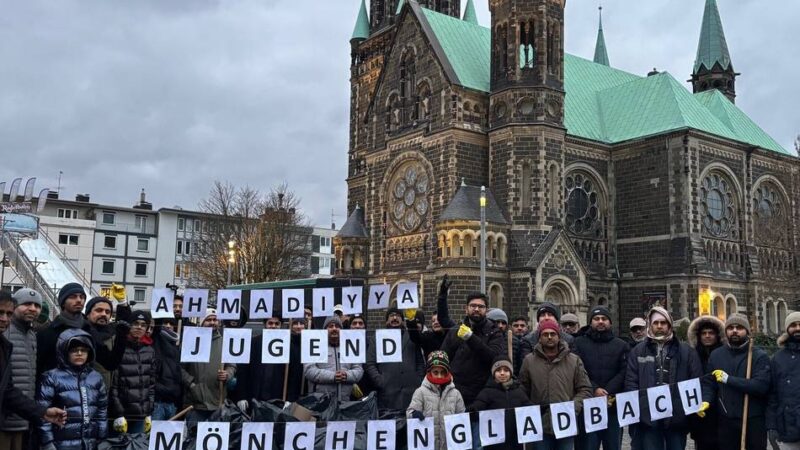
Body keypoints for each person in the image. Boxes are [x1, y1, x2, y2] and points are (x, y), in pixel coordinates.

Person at [625, 306, 702, 450]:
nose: (659, 326)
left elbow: (695, 382)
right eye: (656, 323)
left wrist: (682, 411)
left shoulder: (687, 351)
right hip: (648, 418)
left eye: (663, 322)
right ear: (650, 325)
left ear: (669, 325)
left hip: (676, 419)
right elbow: (631, 382)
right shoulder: (638, 351)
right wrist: (642, 408)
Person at [519, 319, 592, 450]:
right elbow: (523, 389)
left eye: (553, 334)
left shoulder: (574, 360)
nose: (549, 337)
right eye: (545, 334)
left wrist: (573, 407)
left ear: (559, 336)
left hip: (566, 422)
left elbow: (585, 388)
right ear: (539, 338)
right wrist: (532, 408)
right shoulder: (529, 361)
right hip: (540, 423)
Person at [702, 313, 770, 450]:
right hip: (726, 419)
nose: (734, 331)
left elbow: (761, 386)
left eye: (739, 328)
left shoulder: (758, 356)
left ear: (747, 331)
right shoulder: (716, 355)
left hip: (752, 420)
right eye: (730, 328)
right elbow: (709, 384)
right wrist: (706, 400)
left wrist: (729, 380)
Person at [37, 283, 128, 378]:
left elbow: (111, 363)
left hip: (84, 386)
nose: (79, 300)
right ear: (63, 302)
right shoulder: (48, 332)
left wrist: (122, 304)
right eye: (73, 297)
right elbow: (38, 368)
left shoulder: (88, 331)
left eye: (82, 297)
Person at [36, 329, 107, 450]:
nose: (79, 353)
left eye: (84, 350)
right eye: (74, 350)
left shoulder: (96, 377)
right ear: (64, 351)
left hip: (91, 443)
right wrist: (47, 443)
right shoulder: (51, 377)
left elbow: (102, 411)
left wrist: (102, 440)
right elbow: (43, 413)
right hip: (60, 444)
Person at [573, 306, 629, 450]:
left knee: (613, 445)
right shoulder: (578, 343)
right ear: (590, 322)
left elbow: (624, 371)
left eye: (604, 319)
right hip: (587, 407)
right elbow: (578, 371)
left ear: (610, 322)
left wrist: (608, 390)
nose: (600, 321)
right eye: (596, 319)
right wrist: (595, 389)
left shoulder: (621, 345)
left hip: (613, 406)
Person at [441, 292, 506, 409]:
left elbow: (494, 358)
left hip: (482, 394)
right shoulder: (455, 330)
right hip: (455, 391)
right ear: (466, 309)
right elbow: (444, 358)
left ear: (486, 310)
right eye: (473, 306)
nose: (476, 309)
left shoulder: (494, 332)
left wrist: (471, 338)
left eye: (481, 306)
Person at [1, 288, 42, 450]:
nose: (32, 309)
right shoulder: (5, 333)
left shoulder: (32, 335)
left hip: (23, 417)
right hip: (6, 419)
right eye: (27, 304)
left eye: (37, 306)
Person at [365, 307, 424, 411]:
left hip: (411, 392)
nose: (395, 318)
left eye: (398, 316)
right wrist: (380, 381)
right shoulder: (377, 337)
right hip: (388, 394)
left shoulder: (412, 337)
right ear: (386, 321)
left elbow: (420, 362)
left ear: (403, 320)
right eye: (391, 315)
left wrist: (418, 379)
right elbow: (370, 363)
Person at [182, 309, 236, 423]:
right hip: (195, 403)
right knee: (194, 434)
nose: (212, 322)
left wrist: (227, 374)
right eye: (208, 320)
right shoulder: (191, 341)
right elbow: (180, 368)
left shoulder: (225, 342)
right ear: (202, 322)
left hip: (218, 401)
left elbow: (232, 365)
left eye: (215, 319)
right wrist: (191, 384)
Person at [109, 310, 156, 435]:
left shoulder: (150, 351)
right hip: (121, 415)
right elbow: (113, 385)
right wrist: (118, 413)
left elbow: (151, 385)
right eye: (135, 323)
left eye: (143, 325)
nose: (139, 327)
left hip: (141, 415)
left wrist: (149, 411)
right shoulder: (119, 347)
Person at [407, 350, 465, 450]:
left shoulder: (456, 394)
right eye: (436, 372)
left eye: (443, 372)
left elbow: (461, 417)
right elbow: (410, 412)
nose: (439, 376)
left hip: (449, 445)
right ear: (429, 372)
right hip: (428, 445)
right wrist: (414, 414)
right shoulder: (420, 392)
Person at [470, 356, 530, 450]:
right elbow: (477, 408)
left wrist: (541, 408)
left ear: (511, 372)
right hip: (493, 444)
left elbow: (529, 409)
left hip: (515, 442)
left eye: (506, 370)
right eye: (498, 370)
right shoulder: (487, 392)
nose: (502, 373)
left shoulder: (519, 391)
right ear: (493, 373)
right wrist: (473, 410)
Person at [303, 316, 363, 402]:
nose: (334, 328)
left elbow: (359, 370)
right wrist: (332, 376)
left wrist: (346, 375)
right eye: (330, 326)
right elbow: (309, 370)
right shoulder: (314, 345)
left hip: (345, 400)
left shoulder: (351, 345)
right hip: (320, 401)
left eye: (337, 326)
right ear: (325, 330)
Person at [687, 315, 724, 450]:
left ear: (717, 335)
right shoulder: (692, 356)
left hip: (721, 411)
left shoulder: (724, 354)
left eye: (711, 333)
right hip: (700, 411)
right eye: (704, 333)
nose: (707, 336)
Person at [767, 311, 800, 450]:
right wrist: (771, 426)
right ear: (787, 329)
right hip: (787, 426)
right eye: (793, 325)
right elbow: (772, 394)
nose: (797, 328)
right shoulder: (777, 358)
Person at [84, 295, 131, 388]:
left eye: (107, 312)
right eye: (99, 310)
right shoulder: (82, 333)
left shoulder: (112, 332)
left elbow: (123, 322)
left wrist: (123, 303)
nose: (104, 314)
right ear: (88, 314)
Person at [408, 275, 456, 358]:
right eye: (433, 321)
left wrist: (442, 296)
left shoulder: (451, 336)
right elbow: (415, 337)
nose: (436, 323)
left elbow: (443, 315)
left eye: (438, 320)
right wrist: (411, 320)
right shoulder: (428, 337)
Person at [151, 317, 182, 420]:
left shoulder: (176, 345)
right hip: (158, 402)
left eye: (171, 323)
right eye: (165, 323)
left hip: (172, 402)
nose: (168, 326)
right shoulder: (155, 339)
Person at [487, 308, 527, 375]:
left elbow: (518, 365)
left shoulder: (514, 341)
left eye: (503, 323)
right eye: (497, 322)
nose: (500, 326)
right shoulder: (484, 339)